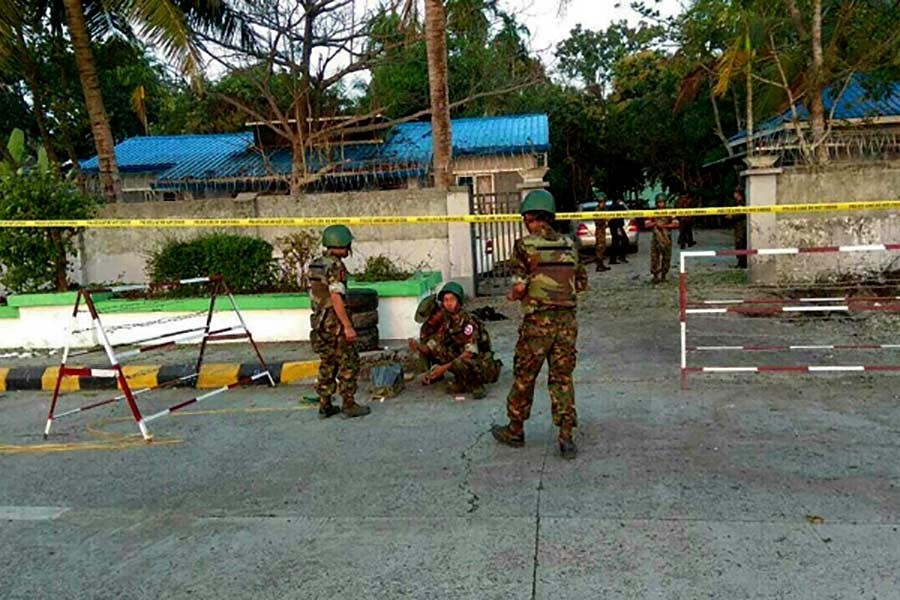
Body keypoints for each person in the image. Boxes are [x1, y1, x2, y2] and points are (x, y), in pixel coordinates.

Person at [491, 189, 588, 460]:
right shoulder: (570, 245)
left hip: (537, 324)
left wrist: (513, 294)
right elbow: (580, 284)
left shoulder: (524, 246)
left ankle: (515, 429)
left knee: (524, 376)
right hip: (567, 323)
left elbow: (519, 287)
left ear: (532, 218)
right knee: (562, 378)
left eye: (526, 219)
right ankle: (566, 436)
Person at [307, 224, 371, 419]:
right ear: (342, 243)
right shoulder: (335, 266)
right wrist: (347, 326)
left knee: (328, 363)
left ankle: (325, 404)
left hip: (319, 323)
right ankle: (348, 403)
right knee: (348, 362)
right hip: (335, 324)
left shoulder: (316, 264)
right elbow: (336, 297)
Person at [421, 282, 500, 399]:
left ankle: (475, 386)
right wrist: (431, 371)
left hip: (481, 363)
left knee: (458, 362)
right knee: (438, 349)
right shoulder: (447, 320)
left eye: (452, 299)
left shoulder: (468, 322)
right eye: (445, 300)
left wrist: (443, 368)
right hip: (463, 358)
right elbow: (436, 342)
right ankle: (461, 381)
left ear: (459, 301)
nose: (448, 303)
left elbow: (469, 353)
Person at [408, 294, 455, 373]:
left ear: (438, 312)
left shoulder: (450, 319)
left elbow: (433, 346)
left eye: (430, 318)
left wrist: (420, 346)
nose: (428, 322)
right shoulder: (427, 327)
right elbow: (425, 350)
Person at [645, 193, 679, 284]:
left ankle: (664, 275)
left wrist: (665, 225)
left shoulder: (669, 212)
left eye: (662, 202)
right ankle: (655, 275)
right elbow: (646, 224)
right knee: (655, 257)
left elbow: (676, 223)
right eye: (659, 202)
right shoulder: (652, 212)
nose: (661, 204)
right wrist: (655, 224)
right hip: (656, 238)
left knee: (666, 257)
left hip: (666, 237)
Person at [591, 188, 610, 272]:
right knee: (599, 248)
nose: (604, 204)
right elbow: (597, 221)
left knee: (603, 247)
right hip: (599, 231)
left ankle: (601, 264)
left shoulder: (603, 209)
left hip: (602, 230)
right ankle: (599, 265)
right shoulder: (598, 210)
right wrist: (605, 220)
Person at [608, 196, 629, 264]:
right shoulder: (615, 207)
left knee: (619, 242)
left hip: (616, 226)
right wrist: (618, 229)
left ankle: (618, 257)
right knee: (618, 242)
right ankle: (615, 258)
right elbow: (615, 219)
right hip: (616, 227)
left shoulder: (614, 206)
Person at [732, 187, 748, 268]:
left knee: (740, 243)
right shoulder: (738, 203)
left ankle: (742, 262)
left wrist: (731, 215)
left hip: (741, 226)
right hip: (738, 226)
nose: (734, 195)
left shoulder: (742, 203)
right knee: (738, 244)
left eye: (736, 193)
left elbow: (739, 214)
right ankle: (740, 262)